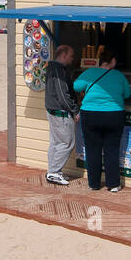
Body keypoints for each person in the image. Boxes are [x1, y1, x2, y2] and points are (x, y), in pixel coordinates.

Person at [73, 48, 131, 191]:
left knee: (93, 150)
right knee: (112, 150)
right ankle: (113, 185)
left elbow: (76, 86)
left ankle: (94, 184)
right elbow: (127, 94)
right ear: (112, 61)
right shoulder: (119, 75)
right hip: (114, 115)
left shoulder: (90, 72)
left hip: (90, 114)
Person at [43, 44, 81, 185]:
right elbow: (63, 95)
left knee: (55, 143)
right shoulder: (59, 70)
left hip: (52, 111)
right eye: (71, 56)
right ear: (63, 55)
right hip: (61, 113)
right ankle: (54, 172)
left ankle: (52, 171)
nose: (72, 59)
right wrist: (75, 110)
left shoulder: (51, 67)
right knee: (66, 143)